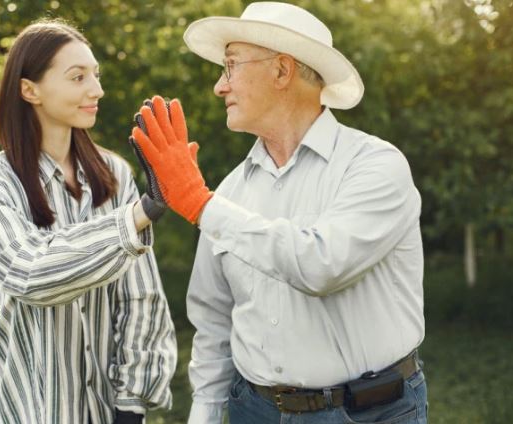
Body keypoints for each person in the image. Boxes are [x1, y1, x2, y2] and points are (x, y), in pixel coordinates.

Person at [129, 2, 427, 423]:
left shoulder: (376, 165)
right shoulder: (231, 192)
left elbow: (321, 265)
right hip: (255, 410)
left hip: (368, 413)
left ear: (282, 71)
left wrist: (199, 202)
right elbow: (215, 319)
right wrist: (205, 414)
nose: (220, 86)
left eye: (230, 67)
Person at [0, 20, 176, 424]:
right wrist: (140, 214)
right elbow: (31, 272)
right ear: (30, 90)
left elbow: (140, 296)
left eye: (95, 75)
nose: (96, 90)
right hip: (34, 412)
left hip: (111, 412)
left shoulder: (114, 173)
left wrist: (131, 403)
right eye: (78, 77)